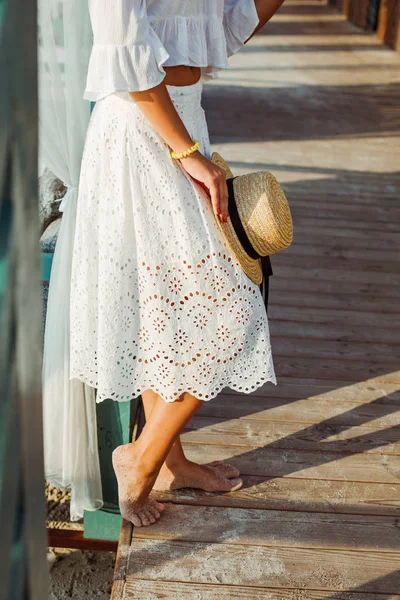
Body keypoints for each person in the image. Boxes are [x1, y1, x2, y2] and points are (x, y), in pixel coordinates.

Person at [70, 0, 283, 527]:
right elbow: (123, 48)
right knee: (233, 312)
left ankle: (171, 462)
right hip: (142, 132)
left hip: (185, 122)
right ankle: (140, 460)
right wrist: (188, 153)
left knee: (161, 303)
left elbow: (223, 30)